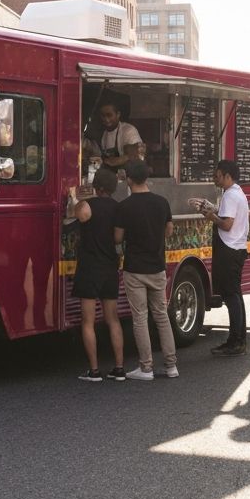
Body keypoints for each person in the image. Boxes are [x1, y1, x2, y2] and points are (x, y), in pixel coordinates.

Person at [113, 160, 178, 379]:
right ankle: (171, 366)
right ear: (147, 178)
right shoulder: (162, 202)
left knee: (140, 317)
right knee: (161, 316)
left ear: (129, 179)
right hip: (157, 267)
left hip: (135, 268)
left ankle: (146, 367)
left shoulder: (124, 206)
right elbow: (169, 230)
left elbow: (118, 237)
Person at [72, 166, 126, 382]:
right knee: (112, 318)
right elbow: (118, 239)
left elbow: (76, 214)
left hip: (89, 266)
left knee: (88, 321)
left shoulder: (88, 205)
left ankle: (94, 371)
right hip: (109, 266)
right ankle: (119, 368)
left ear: (96, 186)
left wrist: (76, 197)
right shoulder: (118, 208)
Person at [200, 160, 250, 357]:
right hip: (237, 249)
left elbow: (227, 224)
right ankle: (238, 339)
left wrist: (210, 215)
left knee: (232, 296)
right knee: (235, 296)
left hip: (229, 250)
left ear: (227, 175)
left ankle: (236, 341)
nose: (215, 179)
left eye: (217, 175)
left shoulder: (230, 195)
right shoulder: (238, 193)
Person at [98, 101, 143, 171]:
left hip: (130, 175)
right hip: (112, 176)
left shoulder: (128, 130)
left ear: (118, 114)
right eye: (103, 116)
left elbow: (138, 153)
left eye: (109, 115)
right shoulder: (104, 134)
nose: (106, 119)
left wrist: (117, 161)